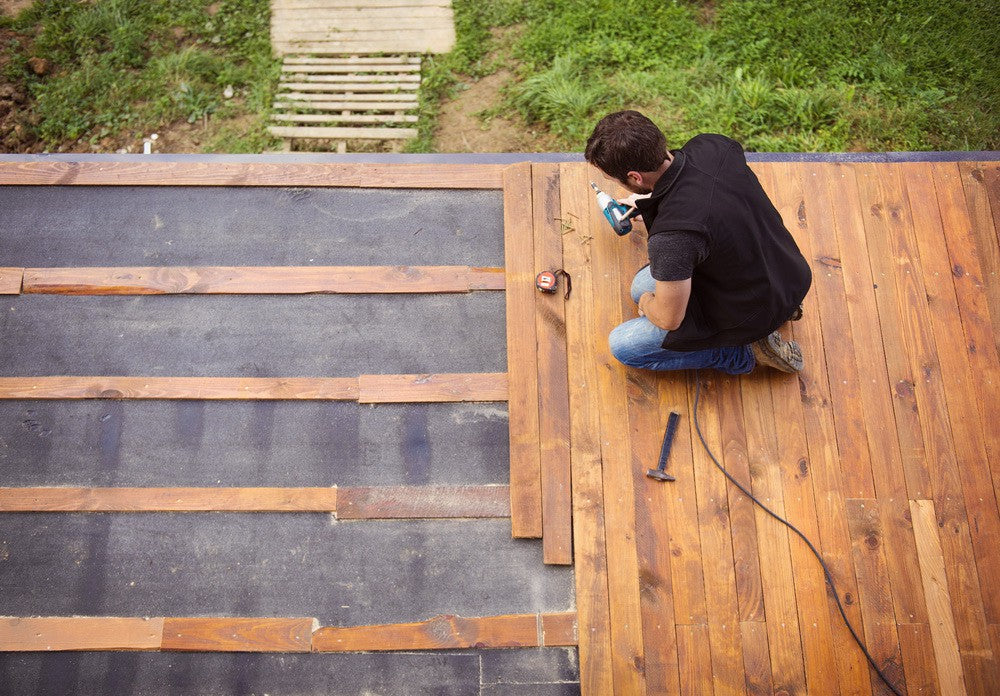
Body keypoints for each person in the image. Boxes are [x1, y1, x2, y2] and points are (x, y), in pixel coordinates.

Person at [584, 110, 812, 374]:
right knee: (638, 286)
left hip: (751, 309)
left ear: (635, 177)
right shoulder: (714, 146)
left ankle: (742, 352)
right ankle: (782, 311)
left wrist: (648, 303)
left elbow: (670, 319)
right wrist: (648, 200)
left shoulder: (672, 238)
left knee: (624, 345)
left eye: (613, 179)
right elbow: (698, 192)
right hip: (788, 275)